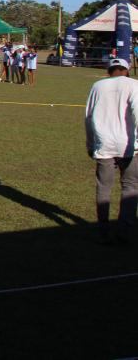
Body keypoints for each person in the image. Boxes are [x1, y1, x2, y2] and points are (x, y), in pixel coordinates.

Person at [85, 58, 138, 245]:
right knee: (130, 187)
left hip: (104, 144)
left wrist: (90, 144)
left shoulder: (97, 86)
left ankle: (103, 229)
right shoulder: (134, 84)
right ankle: (124, 230)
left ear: (109, 71)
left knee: (104, 187)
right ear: (127, 70)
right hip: (129, 145)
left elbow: (88, 117)